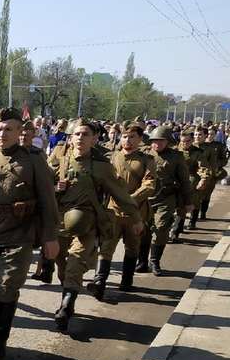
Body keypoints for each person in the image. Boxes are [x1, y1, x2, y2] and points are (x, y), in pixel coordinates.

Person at [0, 109, 59, 360]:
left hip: (19, 234)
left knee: (7, 287)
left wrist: (50, 236)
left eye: (8, 129)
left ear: (20, 131)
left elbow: (48, 200)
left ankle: (0, 339)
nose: (2, 134)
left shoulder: (33, 160)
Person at [50, 119, 142, 330]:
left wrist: (136, 218)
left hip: (88, 224)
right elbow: (43, 186)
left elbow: (120, 194)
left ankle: (66, 306)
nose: (80, 138)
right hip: (60, 223)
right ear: (70, 138)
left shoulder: (102, 167)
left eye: (85, 134)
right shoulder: (58, 160)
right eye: (77, 134)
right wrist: (56, 186)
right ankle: (69, 294)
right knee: (62, 265)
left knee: (75, 263)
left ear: (94, 139)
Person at [94, 123, 155, 294]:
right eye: (125, 136)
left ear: (140, 139)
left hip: (135, 213)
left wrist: (129, 199)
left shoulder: (146, 160)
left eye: (132, 137)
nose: (127, 140)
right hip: (112, 211)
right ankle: (99, 282)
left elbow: (149, 185)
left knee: (132, 247)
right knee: (106, 247)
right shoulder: (112, 158)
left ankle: (126, 281)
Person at [145, 124, 190, 277]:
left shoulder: (176, 157)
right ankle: (142, 261)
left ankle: (155, 260)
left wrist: (187, 202)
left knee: (161, 227)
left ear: (168, 141)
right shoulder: (144, 154)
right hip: (145, 198)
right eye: (154, 140)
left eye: (161, 141)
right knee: (143, 231)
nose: (157, 144)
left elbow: (185, 181)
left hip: (166, 197)